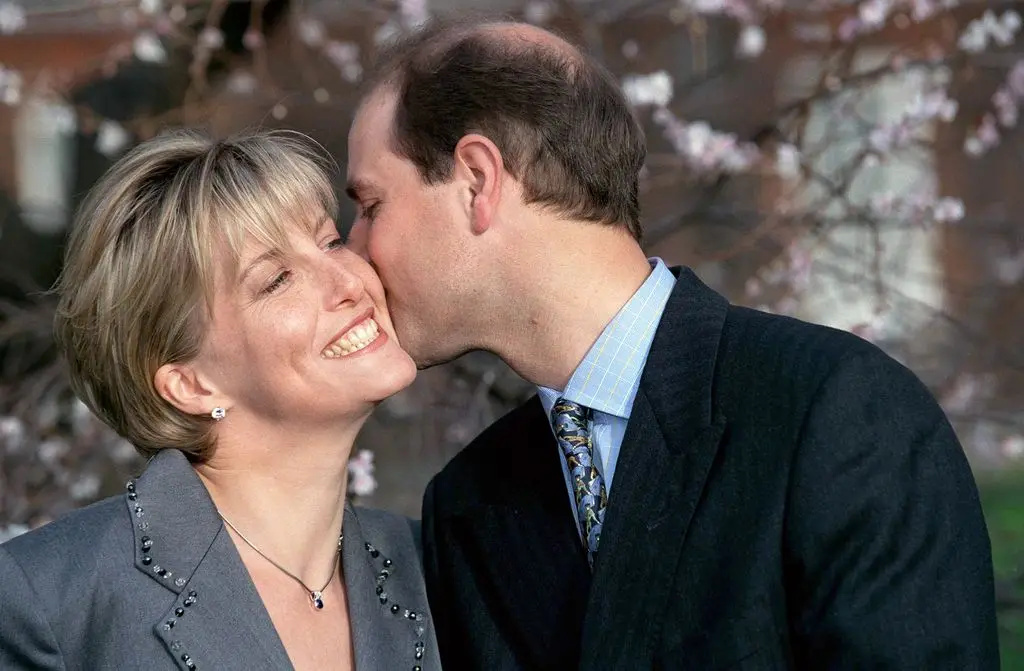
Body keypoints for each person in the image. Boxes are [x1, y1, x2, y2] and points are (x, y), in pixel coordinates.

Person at [345, 17, 1000, 670]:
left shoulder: (837, 414)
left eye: (371, 206)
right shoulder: (468, 505)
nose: (354, 251)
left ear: (477, 181)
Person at [0, 129, 440, 670]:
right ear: (191, 384)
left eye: (329, 241)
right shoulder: (49, 601)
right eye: (277, 279)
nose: (347, 279)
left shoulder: (434, 569)